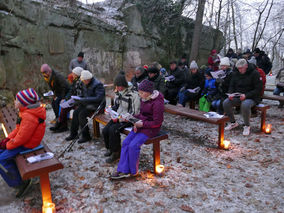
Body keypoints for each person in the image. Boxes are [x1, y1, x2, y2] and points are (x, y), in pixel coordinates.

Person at [110, 79, 164, 179]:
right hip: (141, 125)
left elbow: (157, 122)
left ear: (149, 92)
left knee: (133, 146)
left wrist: (142, 124)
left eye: (142, 92)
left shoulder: (157, 103)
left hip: (151, 128)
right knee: (126, 143)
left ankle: (133, 171)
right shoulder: (144, 99)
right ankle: (123, 169)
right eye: (139, 92)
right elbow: (142, 114)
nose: (140, 94)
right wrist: (131, 117)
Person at [0, 88, 46, 197]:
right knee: (2, 151)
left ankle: (20, 183)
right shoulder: (25, 112)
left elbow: (22, 138)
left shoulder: (28, 117)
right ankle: (17, 175)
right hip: (26, 142)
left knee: (1, 159)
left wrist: (7, 145)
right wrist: (7, 140)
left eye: (16, 100)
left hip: (28, 145)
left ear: (23, 103)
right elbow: (18, 130)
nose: (14, 102)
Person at [103, 71, 140, 163]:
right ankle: (110, 148)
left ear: (124, 84)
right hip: (118, 116)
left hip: (128, 119)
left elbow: (135, 112)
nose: (118, 88)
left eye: (120, 86)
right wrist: (110, 110)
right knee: (105, 130)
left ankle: (116, 153)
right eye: (117, 86)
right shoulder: (118, 92)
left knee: (113, 130)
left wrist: (122, 118)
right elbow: (117, 105)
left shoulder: (133, 95)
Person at [223, 59, 262, 136]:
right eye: (238, 68)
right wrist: (231, 94)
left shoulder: (255, 73)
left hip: (252, 97)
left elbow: (258, 89)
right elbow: (232, 85)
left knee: (245, 104)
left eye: (241, 68)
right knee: (226, 102)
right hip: (238, 96)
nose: (240, 70)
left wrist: (246, 95)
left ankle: (247, 125)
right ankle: (233, 122)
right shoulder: (236, 73)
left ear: (246, 66)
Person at [65, 70, 105, 143]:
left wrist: (85, 99)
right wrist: (77, 98)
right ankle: (73, 134)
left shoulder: (97, 84)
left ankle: (86, 136)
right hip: (87, 103)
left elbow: (99, 98)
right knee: (75, 112)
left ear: (88, 79)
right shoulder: (85, 82)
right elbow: (84, 94)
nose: (83, 82)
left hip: (97, 105)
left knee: (81, 115)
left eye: (84, 81)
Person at [50, 67, 84, 133]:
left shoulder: (82, 82)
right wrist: (66, 99)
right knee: (63, 106)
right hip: (75, 100)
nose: (72, 74)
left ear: (77, 74)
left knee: (65, 106)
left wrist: (71, 99)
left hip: (80, 101)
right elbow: (71, 91)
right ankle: (62, 125)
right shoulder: (75, 81)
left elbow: (82, 94)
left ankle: (61, 124)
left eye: (73, 73)